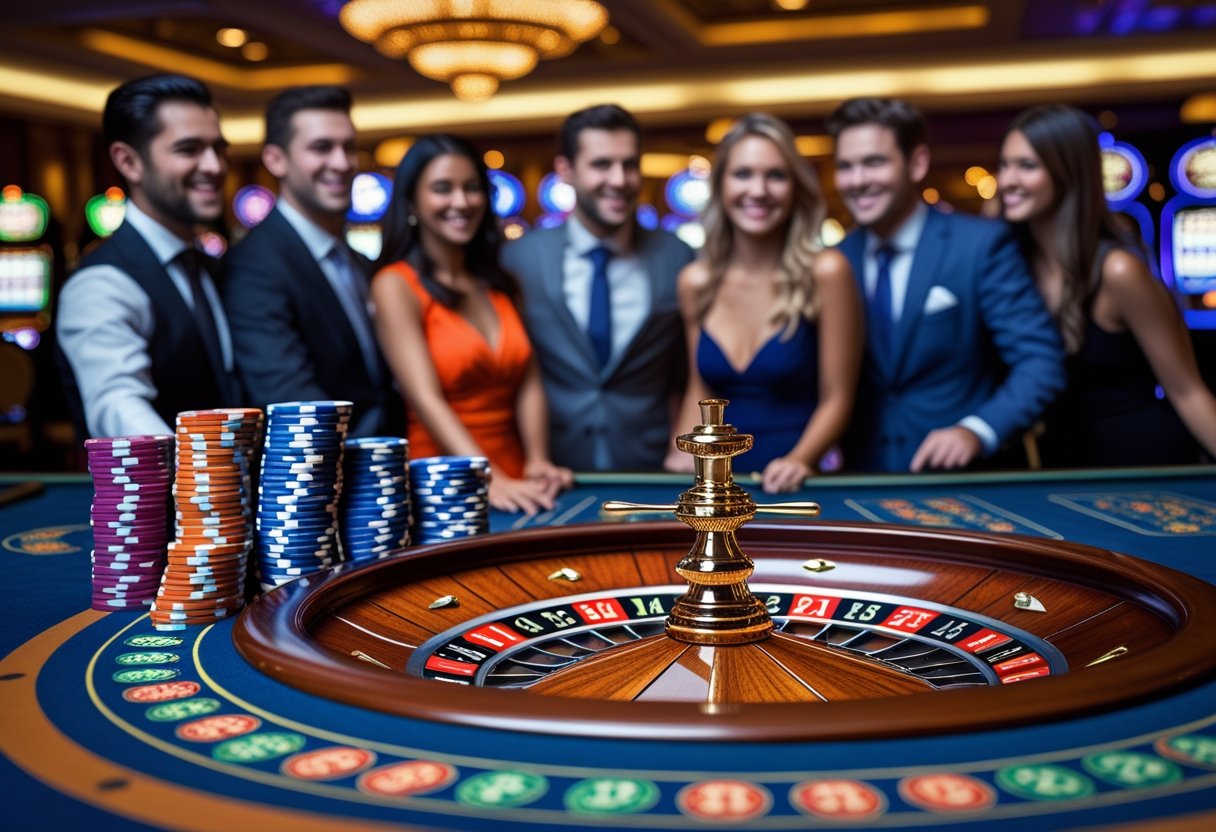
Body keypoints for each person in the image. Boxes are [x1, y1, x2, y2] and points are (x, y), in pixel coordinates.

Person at [826, 97, 1066, 473]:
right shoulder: (834, 261)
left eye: (874, 162)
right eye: (846, 166)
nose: (857, 181)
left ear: (917, 163)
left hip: (959, 482)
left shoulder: (980, 245)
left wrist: (976, 430)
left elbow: (1039, 362)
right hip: (861, 477)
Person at [998, 104, 1216, 465]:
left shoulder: (1118, 270)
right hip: (1062, 468)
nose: (1007, 180)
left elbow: (1187, 391)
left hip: (1139, 464)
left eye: (1027, 166)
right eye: (1004, 165)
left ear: (1070, 172)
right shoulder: (1012, 265)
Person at [370, 135, 571, 513]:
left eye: (472, 188)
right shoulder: (395, 285)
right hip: (446, 479)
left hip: (517, 477)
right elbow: (425, 398)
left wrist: (538, 459)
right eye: (442, 189)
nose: (461, 202)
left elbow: (527, 379)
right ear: (412, 201)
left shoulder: (497, 282)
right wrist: (488, 476)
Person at [663, 113, 862, 491]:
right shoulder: (696, 280)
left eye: (775, 175)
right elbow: (700, 388)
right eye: (742, 174)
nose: (758, 190)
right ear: (720, 185)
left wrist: (801, 460)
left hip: (792, 481)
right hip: (718, 483)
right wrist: (682, 451)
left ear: (796, 187)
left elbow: (837, 398)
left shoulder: (826, 271)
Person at [500, 104, 694, 471]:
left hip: (653, 467)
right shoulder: (519, 259)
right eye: (602, 164)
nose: (619, 180)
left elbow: (692, 368)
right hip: (551, 469)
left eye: (630, 164)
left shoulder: (677, 256)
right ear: (566, 171)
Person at [56, 74, 241, 440]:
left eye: (218, 149)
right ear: (128, 162)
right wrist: (201, 481)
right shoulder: (101, 284)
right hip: (165, 495)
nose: (215, 166)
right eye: (189, 149)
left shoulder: (211, 266)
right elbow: (118, 406)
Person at [224, 86, 401, 438]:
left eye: (348, 147)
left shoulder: (357, 261)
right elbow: (291, 402)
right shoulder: (254, 266)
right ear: (276, 160)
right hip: (325, 476)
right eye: (322, 148)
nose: (342, 162)